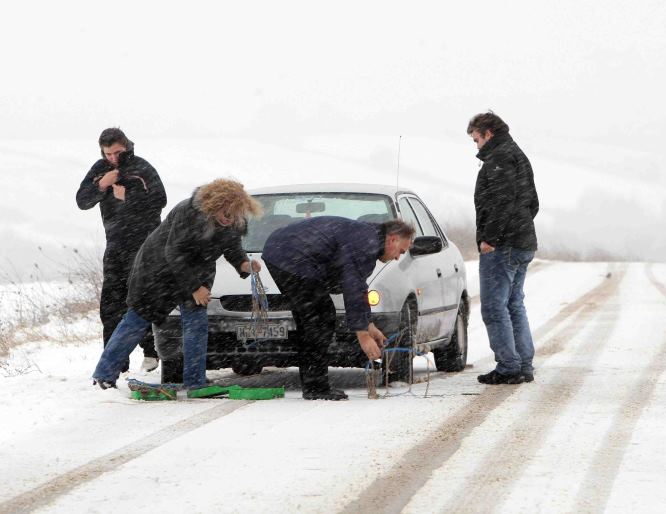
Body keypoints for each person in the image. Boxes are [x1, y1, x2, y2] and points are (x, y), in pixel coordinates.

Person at [92, 179, 263, 390]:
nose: (230, 219)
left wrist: (245, 264)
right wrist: (195, 288)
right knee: (135, 322)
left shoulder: (234, 219)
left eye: (236, 215)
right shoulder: (188, 212)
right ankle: (104, 375)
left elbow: (231, 247)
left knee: (197, 325)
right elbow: (174, 252)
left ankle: (195, 383)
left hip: (194, 275)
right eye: (226, 214)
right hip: (157, 273)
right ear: (214, 205)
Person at [262, 217, 415, 400]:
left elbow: (359, 287)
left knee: (313, 319)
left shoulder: (367, 239)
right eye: (400, 251)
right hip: (290, 255)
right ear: (392, 240)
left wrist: (368, 324)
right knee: (320, 317)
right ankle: (315, 387)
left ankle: (313, 383)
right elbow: (352, 287)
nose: (397, 257)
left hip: (279, 251)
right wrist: (363, 335)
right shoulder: (365, 243)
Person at [76, 128, 166, 372]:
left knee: (144, 299)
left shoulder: (142, 168)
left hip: (145, 246)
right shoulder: (99, 169)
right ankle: (115, 359)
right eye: (108, 154)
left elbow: (159, 201)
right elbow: (82, 201)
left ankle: (151, 352)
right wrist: (102, 185)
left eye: (117, 152)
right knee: (111, 304)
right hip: (115, 245)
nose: (113, 158)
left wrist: (128, 195)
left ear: (127, 147)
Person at [468, 111, 539, 384]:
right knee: (513, 305)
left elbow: (501, 203)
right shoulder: (518, 155)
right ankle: (523, 364)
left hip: (503, 246)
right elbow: (532, 203)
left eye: (477, 139)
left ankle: (509, 366)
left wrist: (491, 238)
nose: (477, 146)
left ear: (488, 133)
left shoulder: (498, 158)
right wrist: (520, 228)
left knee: (494, 308)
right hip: (522, 242)